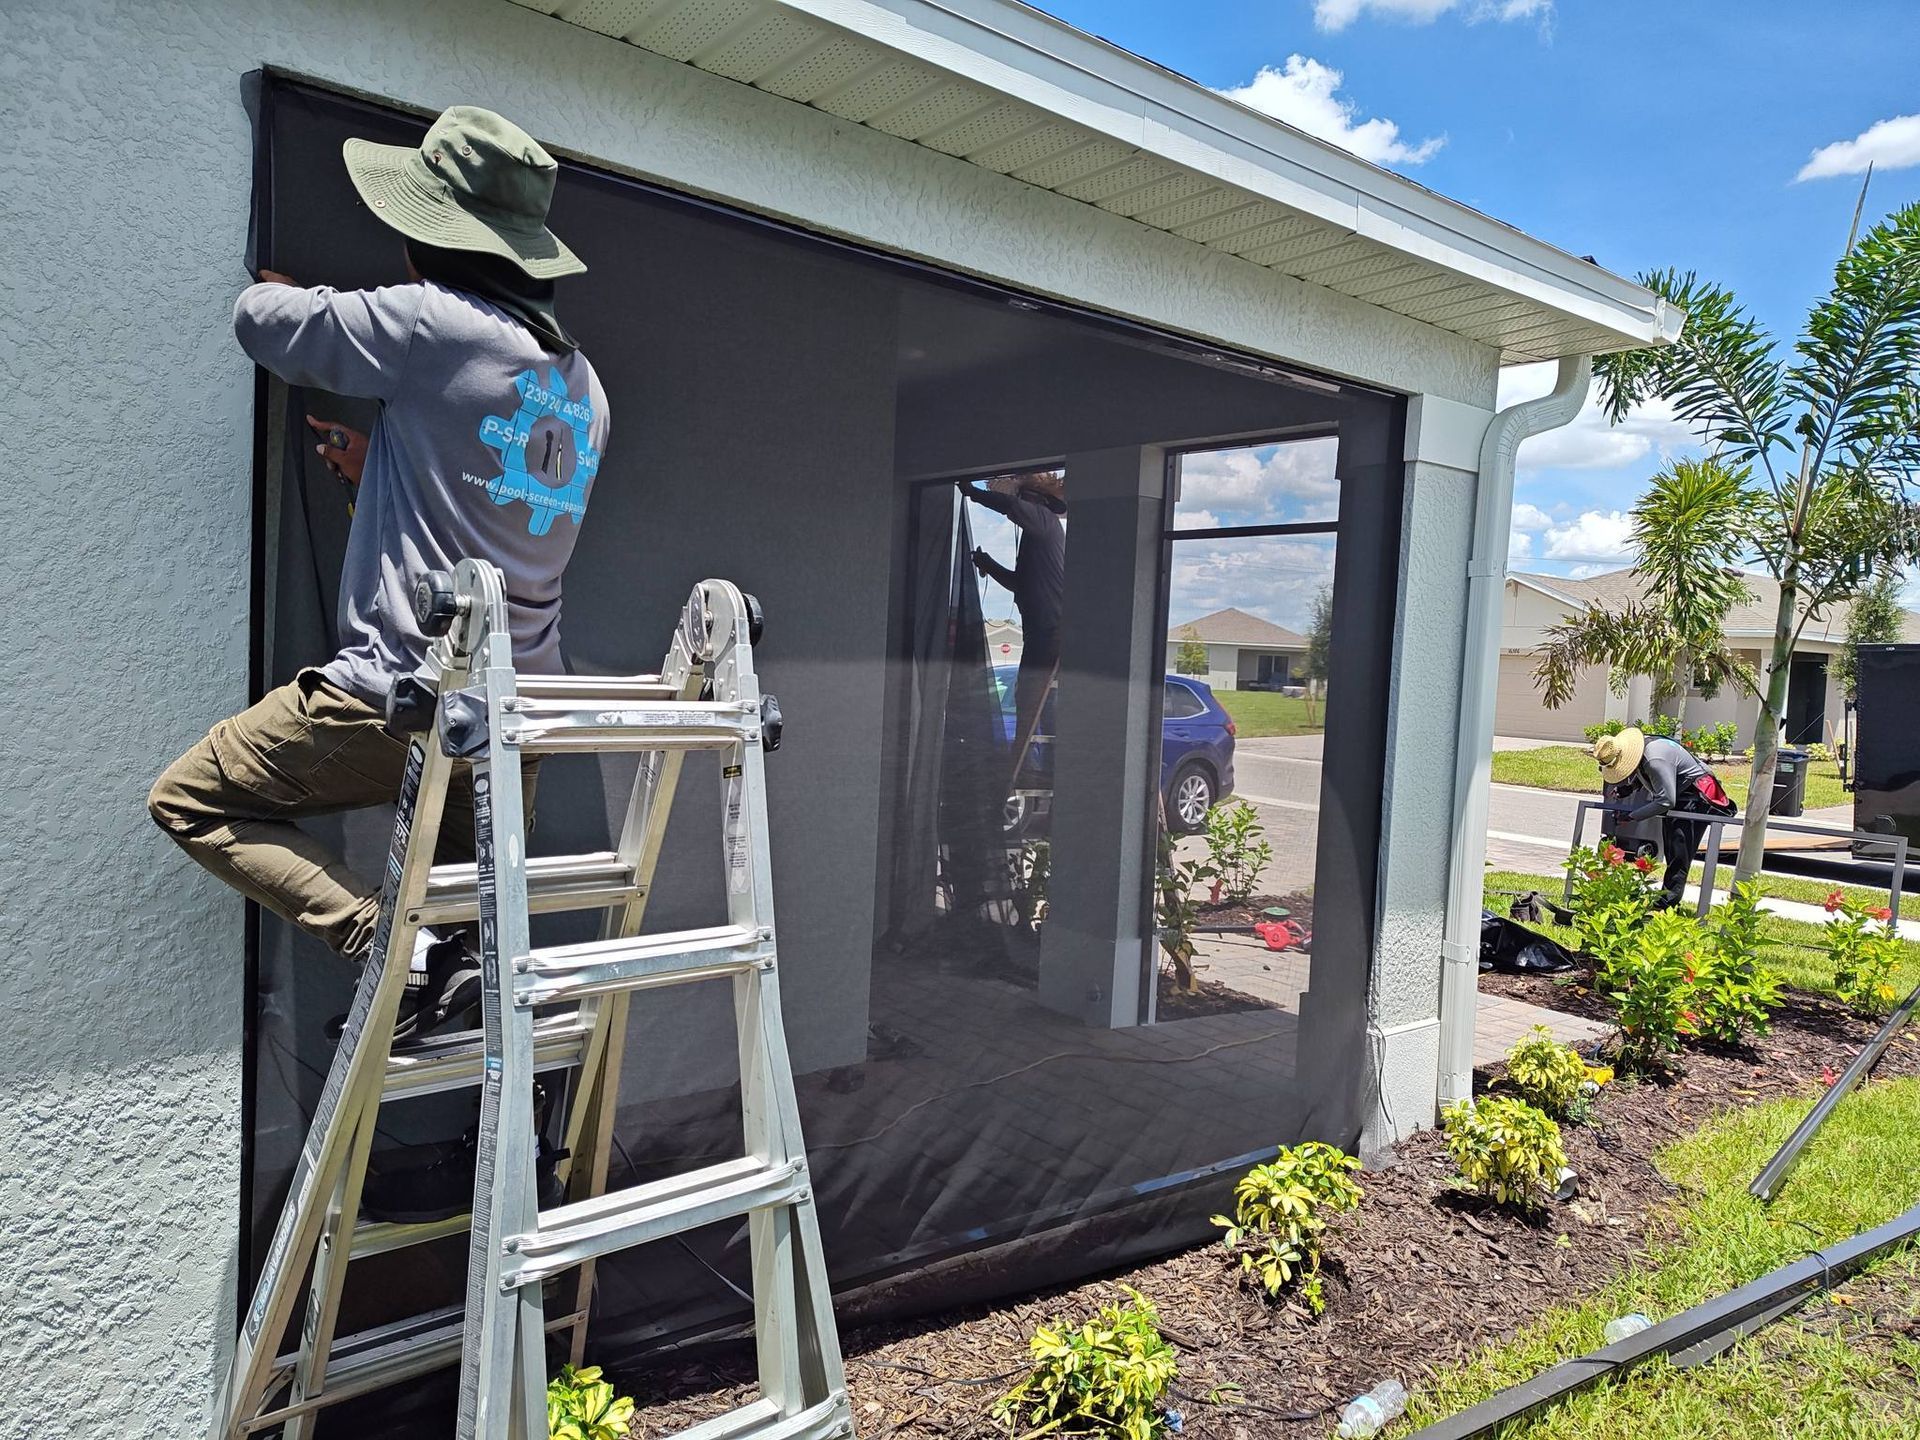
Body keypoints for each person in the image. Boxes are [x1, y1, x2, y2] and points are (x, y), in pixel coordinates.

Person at [148, 105, 609, 1038]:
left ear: (436, 239)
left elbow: (263, 323)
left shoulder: (435, 326)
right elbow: (485, 507)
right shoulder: (582, 386)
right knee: (454, 922)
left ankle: (380, 945)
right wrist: (381, 471)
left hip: (404, 698)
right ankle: (441, 977)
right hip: (508, 719)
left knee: (191, 799)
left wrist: (292, 290)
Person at [962, 471, 1066, 777]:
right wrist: (989, 565)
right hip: (1042, 630)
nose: (1022, 503)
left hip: (1049, 631)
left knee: (1034, 697)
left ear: (1036, 500)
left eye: (1025, 497)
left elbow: (1011, 507)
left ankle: (1031, 766)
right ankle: (1033, 764)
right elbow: (1022, 584)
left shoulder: (1044, 522)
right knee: (1034, 698)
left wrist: (973, 492)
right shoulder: (1039, 537)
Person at [1593, 726, 1738, 909]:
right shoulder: (1644, 749)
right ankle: (1665, 900)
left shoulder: (1654, 759)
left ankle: (1665, 905)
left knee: (1679, 854)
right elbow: (1645, 772)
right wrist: (1628, 788)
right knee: (1672, 850)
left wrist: (1631, 816)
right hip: (1681, 793)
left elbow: (1666, 800)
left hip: (1694, 798)